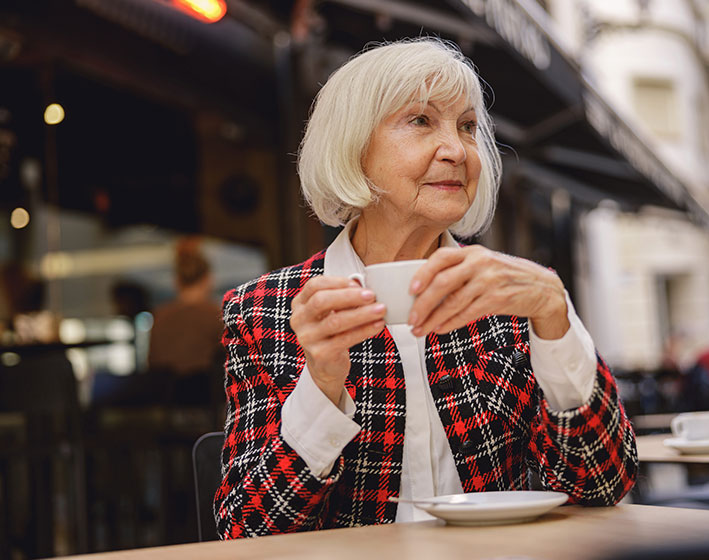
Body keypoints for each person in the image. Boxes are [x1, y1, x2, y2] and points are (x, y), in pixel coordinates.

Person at [214, 38, 638, 538]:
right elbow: (247, 531)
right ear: (353, 147)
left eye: (466, 127)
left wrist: (554, 316)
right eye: (420, 121)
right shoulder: (265, 310)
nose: (457, 151)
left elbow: (602, 482)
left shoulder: (512, 296)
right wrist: (322, 384)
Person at [148, 238, 222, 376]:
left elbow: (153, 366)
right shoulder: (216, 315)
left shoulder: (159, 317)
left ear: (176, 281)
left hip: (168, 394)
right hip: (205, 393)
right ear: (208, 279)